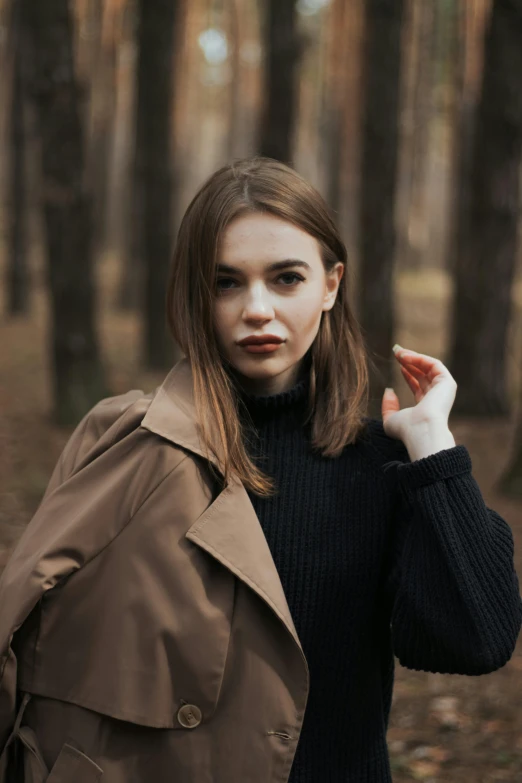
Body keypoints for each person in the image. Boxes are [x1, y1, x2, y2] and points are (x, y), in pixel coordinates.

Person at [0, 157, 520, 783]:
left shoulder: (383, 464)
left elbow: (477, 641)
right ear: (197, 293)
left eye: (286, 279)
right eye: (225, 282)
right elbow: (26, 627)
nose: (256, 309)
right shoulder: (129, 444)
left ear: (330, 285)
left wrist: (433, 451)